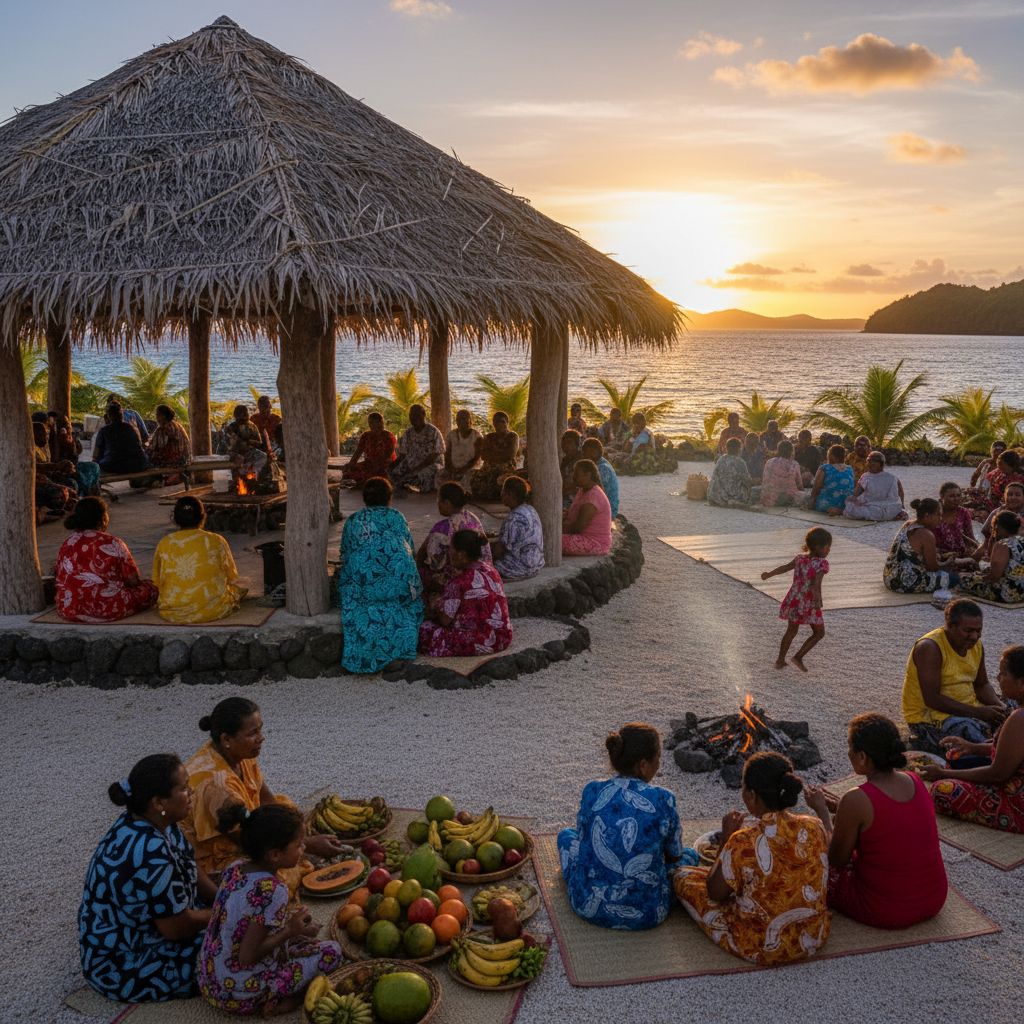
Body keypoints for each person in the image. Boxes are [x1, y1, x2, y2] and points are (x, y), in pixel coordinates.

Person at [79, 754, 217, 1003]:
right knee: (237, 950)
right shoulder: (150, 853)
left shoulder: (158, 820)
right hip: (124, 964)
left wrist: (221, 897)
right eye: (184, 788)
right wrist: (228, 909)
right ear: (158, 801)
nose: (192, 791)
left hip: (152, 931)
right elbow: (176, 928)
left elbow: (190, 866)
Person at [674, 752, 831, 967]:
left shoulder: (742, 842)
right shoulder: (815, 826)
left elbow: (715, 893)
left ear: (752, 796)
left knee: (684, 876)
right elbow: (827, 851)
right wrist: (822, 810)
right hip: (813, 937)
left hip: (757, 945)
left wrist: (726, 839)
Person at [181, 699, 345, 889]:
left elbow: (266, 799)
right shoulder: (215, 786)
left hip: (246, 823)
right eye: (253, 733)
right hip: (215, 853)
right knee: (278, 879)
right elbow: (247, 840)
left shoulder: (241, 754)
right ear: (226, 739)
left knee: (286, 807)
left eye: (260, 730)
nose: (262, 738)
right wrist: (306, 843)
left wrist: (293, 835)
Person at [198, 803, 343, 1017]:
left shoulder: (234, 868)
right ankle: (284, 1001)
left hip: (208, 978)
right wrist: (288, 932)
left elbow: (245, 922)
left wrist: (291, 932)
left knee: (302, 942)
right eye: (299, 846)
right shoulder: (274, 891)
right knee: (331, 952)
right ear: (274, 855)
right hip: (238, 994)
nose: (304, 849)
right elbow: (247, 957)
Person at [804, 714, 947, 929]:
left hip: (888, 910)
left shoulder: (856, 800)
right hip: (934, 899)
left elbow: (835, 860)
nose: (848, 753)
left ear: (862, 757)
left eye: (849, 747)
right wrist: (839, 808)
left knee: (807, 856)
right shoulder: (914, 780)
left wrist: (822, 812)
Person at [558, 723, 690, 930]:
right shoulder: (663, 799)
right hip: (646, 913)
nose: (659, 764)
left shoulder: (592, 790)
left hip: (585, 904)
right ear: (643, 765)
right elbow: (675, 855)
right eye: (658, 760)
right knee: (690, 857)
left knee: (566, 836)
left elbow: (584, 841)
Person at [921, 646, 1024, 833]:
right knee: (957, 759)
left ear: (1021, 684)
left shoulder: (1019, 719)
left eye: (1003, 674)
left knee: (940, 790)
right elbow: (1014, 749)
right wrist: (973, 748)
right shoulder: (1017, 714)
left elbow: (997, 774)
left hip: (1018, 806)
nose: (999, 679)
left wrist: (943, 775)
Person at [335, 476, 424, 673]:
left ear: (364, 499)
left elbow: (345, 554)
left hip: (363, 590)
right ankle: (398, 649)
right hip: (397, 589)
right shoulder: (397, 517)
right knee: (410, 603)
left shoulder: (353, 520)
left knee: (347, 583)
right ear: (389, 498)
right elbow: (410, 549)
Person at [902, 599, 1008, 754]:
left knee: (1014, 707)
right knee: (972, 738)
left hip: (969, 706)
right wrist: (979, 713)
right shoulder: (930, 648)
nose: (974, 636)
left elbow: (981, 684)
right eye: (968, 630)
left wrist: (1000, 707)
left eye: (978, 630)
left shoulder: (975, 644)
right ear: (950, 626)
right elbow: (932, 699)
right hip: (929, 718)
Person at [55, 497, 158, 621]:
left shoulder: (68, 543)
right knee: (151, 589)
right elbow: (133, 580)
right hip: (108, 609)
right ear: (103, 519)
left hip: (69, 609)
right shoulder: (114, 543)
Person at [418, 529, 512, 657]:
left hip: (475, 642)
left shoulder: (459, 582)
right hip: (501, 638)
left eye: (451, 550)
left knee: (422, 628)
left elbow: (445, 620)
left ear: (461, 554)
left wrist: (434, 612)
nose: (449, 555)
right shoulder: (492, 572)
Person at [153, 496, 246, 622]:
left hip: (173, 612)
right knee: (238, 590)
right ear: (203, 517)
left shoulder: (164, 543)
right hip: (214, 610)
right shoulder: (216, 540)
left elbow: (157, 581)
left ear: (175, 519)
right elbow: (231, 576)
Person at [761, 527, 831, 671]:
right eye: (827, 547)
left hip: (793, 601)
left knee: (791, 631)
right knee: (819, 633)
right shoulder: (822, 563)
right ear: (818, 547)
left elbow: (785, 567)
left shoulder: (800, 558)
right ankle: (798, 657)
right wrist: (818, 602)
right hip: (809, 603)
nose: (829, 550)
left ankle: (780, 661)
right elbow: (816, 584)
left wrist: (769, 574)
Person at [417, 481, 492, 614]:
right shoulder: (473, 518)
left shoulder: (441, 528)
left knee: (421, 572)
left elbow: (431, 561)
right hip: (482, 574)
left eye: (438, 499)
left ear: (447, 503)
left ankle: (431, 607)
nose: (437, 503)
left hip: (459, 577)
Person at [882, 498, 964, 595]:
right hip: (905, 583)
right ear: (927, 516)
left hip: (890, 577)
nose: (941, 519)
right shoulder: (927, 535)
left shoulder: (908, 524)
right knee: (959, 578)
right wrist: (948, 563)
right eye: (938, 515)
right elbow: (932, 568)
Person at [958, 511, 1024, 603]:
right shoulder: (1021, 540)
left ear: (999, 527)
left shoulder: (1003, 544)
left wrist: (975, 578)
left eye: (994, 527)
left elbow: (993, 577)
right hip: (1022, 590)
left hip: (1009, 593)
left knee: (963, 579)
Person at [491, 476, 545, 581]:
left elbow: (499, 550)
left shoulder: (513, 517)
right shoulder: (531, 510)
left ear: (510, 494)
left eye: (503, 491)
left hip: (518, 570)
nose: (501, 494)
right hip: (534, 566)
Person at [390, 403, 446, 493]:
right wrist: (392, 465)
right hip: (411, 464)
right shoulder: (408, 433)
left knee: (422, 475)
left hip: (430, 465)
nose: (414, 418)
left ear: (423, 415)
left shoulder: (433, 431)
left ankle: (410, 484)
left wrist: (417, 469)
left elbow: (434, 456)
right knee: (394, 473)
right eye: (411, 415)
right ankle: (405, 484)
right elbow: (403, 455)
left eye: (417, 415)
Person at [562, 459, 613, 556]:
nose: (573, 477)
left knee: (550, 540)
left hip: (594, 542)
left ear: (588, 475)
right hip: (586, 538)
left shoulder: (593, 496)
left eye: (577, 474)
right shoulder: (584, 490)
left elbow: (577, 528)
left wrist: (556, 528)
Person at [844, 451, 906, 521]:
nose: (870, 465)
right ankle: (893, 516)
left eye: (872, 464)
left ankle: (882, 516)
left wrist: (855, 501)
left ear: (881, 464)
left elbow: (856, 493)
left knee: (850, 505)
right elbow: (901, 491)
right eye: (869, 463)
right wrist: (902, 504)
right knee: (896, 508)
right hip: (892, 509)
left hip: (873, 510)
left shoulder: (866, 476)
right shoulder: (893, 476)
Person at [470, 411, 519, 500]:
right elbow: (484, 456)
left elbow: (510, 454)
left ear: (507, 423)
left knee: (499, 478)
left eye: (502, 422)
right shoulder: (489, 437)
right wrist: (500, 453)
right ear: (493, 424)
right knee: (476, 476)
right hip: (489, 467)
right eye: (497, 422)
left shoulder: (512, 436)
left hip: (506, 466)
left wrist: (493, 452)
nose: (499, 424)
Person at [92, 401, 149, 475]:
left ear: (108, 416)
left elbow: (96, 454)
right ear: (122, 415)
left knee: (96, 463)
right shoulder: (132, 427)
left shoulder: (104, 430)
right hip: (138, 465)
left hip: (114, 465)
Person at [344, 411, 397, 485]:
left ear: (381, 423)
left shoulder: (389, 436)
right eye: (370, 423)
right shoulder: (365, 436)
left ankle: (370, 481)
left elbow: (387, 457)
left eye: (375, 422)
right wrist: (351, 464)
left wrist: (373, 468)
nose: (372, 425)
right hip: (369, 464)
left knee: (376, 475)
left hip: (384, 466)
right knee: (349, 471)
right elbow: (358, 452)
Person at [975, 481, 1024, 560]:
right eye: (1010, 495)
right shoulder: (998, 512)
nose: (1013, 498)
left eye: (1017, 495)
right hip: (997, 550)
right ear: (1005, 497)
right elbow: (986, 533)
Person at [223, 404, 268, 490]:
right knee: (240, 459)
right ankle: (238, 482)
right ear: (236, 416)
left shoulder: (252, 426)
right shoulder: (231, 428)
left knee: (262, 456)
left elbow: (259, 442)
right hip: (235, 453)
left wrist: (253, 444)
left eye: (246, 415)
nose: (246, 417)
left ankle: (254, 479)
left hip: (249, 451)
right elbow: (232, 444)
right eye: (243, 415)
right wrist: (247, 444)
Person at [803, 444, 854, 516]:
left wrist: (811, 504)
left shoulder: (824, 468)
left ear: (831, 456)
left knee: (804, 498)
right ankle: (842, 510)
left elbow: (816, 489)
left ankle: (834, 509)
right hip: (847, 505)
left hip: (827, 505)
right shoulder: (850, 468)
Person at [146, 404, 192, 478]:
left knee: (147, 461)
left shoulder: (163, 429)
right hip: (184, 459)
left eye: (157, 415)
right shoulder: (177, 425)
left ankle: (158, 479)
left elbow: (157, 447)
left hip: (175, 462)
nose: (156, 417)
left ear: (162, 416)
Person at [441, 408, 483, 489]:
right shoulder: (451, 435)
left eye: (464, 418)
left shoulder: (476, 436)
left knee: (467, 477)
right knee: (440, 476)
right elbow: (447, 454)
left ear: (470, 421)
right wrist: (450, 469)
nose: (461, 421)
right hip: (454, 468)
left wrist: (463, 469)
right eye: (459, 419)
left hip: (471, 468)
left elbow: (476, 458)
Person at [934, 481, 977, 558]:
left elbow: (969, 536)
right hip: (939, 556)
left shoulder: (963, 512)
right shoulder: (935, 513)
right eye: (952, 496)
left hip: (960, 554)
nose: (956, 499)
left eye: (958, 495)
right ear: (942, 497)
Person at [756, 439, 804, 507]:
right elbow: (800, 484)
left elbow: (765, 481)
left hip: (772, 498)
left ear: (778, 450)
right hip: (791, 497)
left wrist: (763, 497)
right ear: (791, 452)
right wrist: (802, 496)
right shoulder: (795, 464)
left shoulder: (770, 462)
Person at [706, 436, 752, 507]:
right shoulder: (740, 462)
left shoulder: (721, 459)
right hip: (729, 497)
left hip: (714, 496)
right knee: (755, 492)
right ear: (739, 449)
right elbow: (747, 481)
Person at [581, 437, 619, 518]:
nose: (589, 454)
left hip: (608, 509)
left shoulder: (603, 468)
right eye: (586, 452)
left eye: (592, 452)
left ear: (599, 452)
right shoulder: (594, 464)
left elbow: (591, 489)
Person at [560, 429, 583, 506]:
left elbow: (575, 485)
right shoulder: (565, 459)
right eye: (564, 442)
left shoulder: (581, 459)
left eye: (570, 442)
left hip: (577, 495)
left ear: (576, 444)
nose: (566, 445)